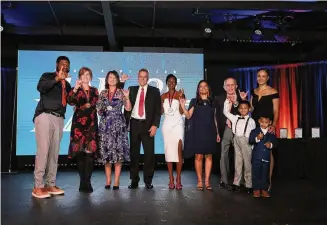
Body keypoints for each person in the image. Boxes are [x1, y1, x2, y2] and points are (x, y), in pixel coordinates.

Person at [32, 56, 71, 198]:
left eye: (67, 64)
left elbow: (70, 101)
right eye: (62, 63)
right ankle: (38, 186)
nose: (64, 66)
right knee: (43, 151)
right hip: (45, 115)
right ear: (57, 65)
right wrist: (56, 79)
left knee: (54, 153)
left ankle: (50, 184)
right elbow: (40, 87)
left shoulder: (67, 85)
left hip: (59, 119)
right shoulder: (47, 76)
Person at [180, 80, 220, 191]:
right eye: (200, 87)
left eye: (205, 86)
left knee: (209, 156)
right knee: (198, 156)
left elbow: (215, 119)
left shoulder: (213, 102)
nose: (203, 88)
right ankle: (199, 181)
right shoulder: (194, 101)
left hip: (210, 132)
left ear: (208, 88)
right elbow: (188, 116)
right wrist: (183, 106)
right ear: (198, 89)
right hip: (198, 132)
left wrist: (217, 133)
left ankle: (207, 181)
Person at [125, 68, 161, 189]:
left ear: (148, 78)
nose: (143, 79)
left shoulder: (155, 91)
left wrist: (155, 125)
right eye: (141, 76)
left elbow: (157, 110)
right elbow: (127, 108)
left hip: (148, 125)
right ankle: (134, 180)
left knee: (149, 155)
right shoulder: (132, 89)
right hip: (135, 124)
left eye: (145, 77)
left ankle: (148, 180)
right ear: (137, 77)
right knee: (134, 155)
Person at [97, 70, 132, 190]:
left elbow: (128, 108)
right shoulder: (102, 93)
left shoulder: (121, 92)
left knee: (118, 153)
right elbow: (99, 110)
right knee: (106, 154)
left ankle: (116, 181)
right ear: (107, 80)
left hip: (118, 125)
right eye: (109, 77)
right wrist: (102, 108)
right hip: (105, 125)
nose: (111, 79)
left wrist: (127, 98)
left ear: (117, 80)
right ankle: (108, 180)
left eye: (114, 77)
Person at [67, 67, 99, 193]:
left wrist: (87, 106)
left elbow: (96, 103)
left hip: (91, 124)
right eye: (83, 74)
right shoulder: (76, 89)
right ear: (79, 77)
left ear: (91, 77)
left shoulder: (94, 90)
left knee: (90, 154)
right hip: (78, 125)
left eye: (88, 74)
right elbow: (70, 101)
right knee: (79, 153)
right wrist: (75, 88)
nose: (85, 77)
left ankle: (88, 181)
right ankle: (82, 181)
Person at [215, 77, 247, 189]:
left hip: (239, 130)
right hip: (225, 129)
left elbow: (246, 114)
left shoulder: (242, 97)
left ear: (236, 86)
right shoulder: (218, 99)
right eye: (227, 85)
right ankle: (224, 180)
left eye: (232, 85)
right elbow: (216, 116)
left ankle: (240, 181)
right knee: (224, 154)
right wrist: (217, 132)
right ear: (224, 87)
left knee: (240, 155)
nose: (230, 87)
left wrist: (239, 102)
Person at [250, 68, 280, 191]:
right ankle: (257, 184)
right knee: (256, 153)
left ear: (267, 78)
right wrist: (243, 100)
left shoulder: (273, 91)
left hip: (268, 126)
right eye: (259, 76)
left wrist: (274, 125)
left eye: (263, 76)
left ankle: (268, 182)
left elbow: (276, 111)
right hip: (256, 126)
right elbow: (251, 109)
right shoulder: (254, 91)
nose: (260, 78)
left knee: (269, 152)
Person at [223, 99, 256, 193]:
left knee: (247, 164)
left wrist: (252, 146)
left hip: (246, 141)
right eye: (241, 108)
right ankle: (236, 183)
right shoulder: (235, 118)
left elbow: (253, 134)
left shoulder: (251, 121)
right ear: (238, 109)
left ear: (249, 109)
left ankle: (249, 184)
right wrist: (227, 101)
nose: (243, 110)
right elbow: (226, 112)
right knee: (237, 163)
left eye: (245, 108)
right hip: (236, 140)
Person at [161, 74, 184, 190]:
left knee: (179, 152)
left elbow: (181, 111)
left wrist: (181, 99)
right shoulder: (163, 96)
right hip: (167, 126)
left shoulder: (180, 94)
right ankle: (171, 178)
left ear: (176, 83)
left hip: (178, 125)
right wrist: (158, 103)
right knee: (169, 153)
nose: (171, 83)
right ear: (166, 83)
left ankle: (179, 178)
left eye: (173, 81)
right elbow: (160, 112)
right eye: (169, 81)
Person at [249, 116, 277, 198]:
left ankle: (264, 189)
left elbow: (275, 143)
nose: (264, 124)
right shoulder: (254, 131)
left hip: (266, 157)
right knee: (256, 173)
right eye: (262, 122)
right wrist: (257, 138)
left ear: (270, 122)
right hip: (256, 156)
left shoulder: (271, 133)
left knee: (265, 173)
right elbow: (250, 140)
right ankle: (256, 189)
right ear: (259, 121)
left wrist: (270, 145)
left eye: (266, 122)